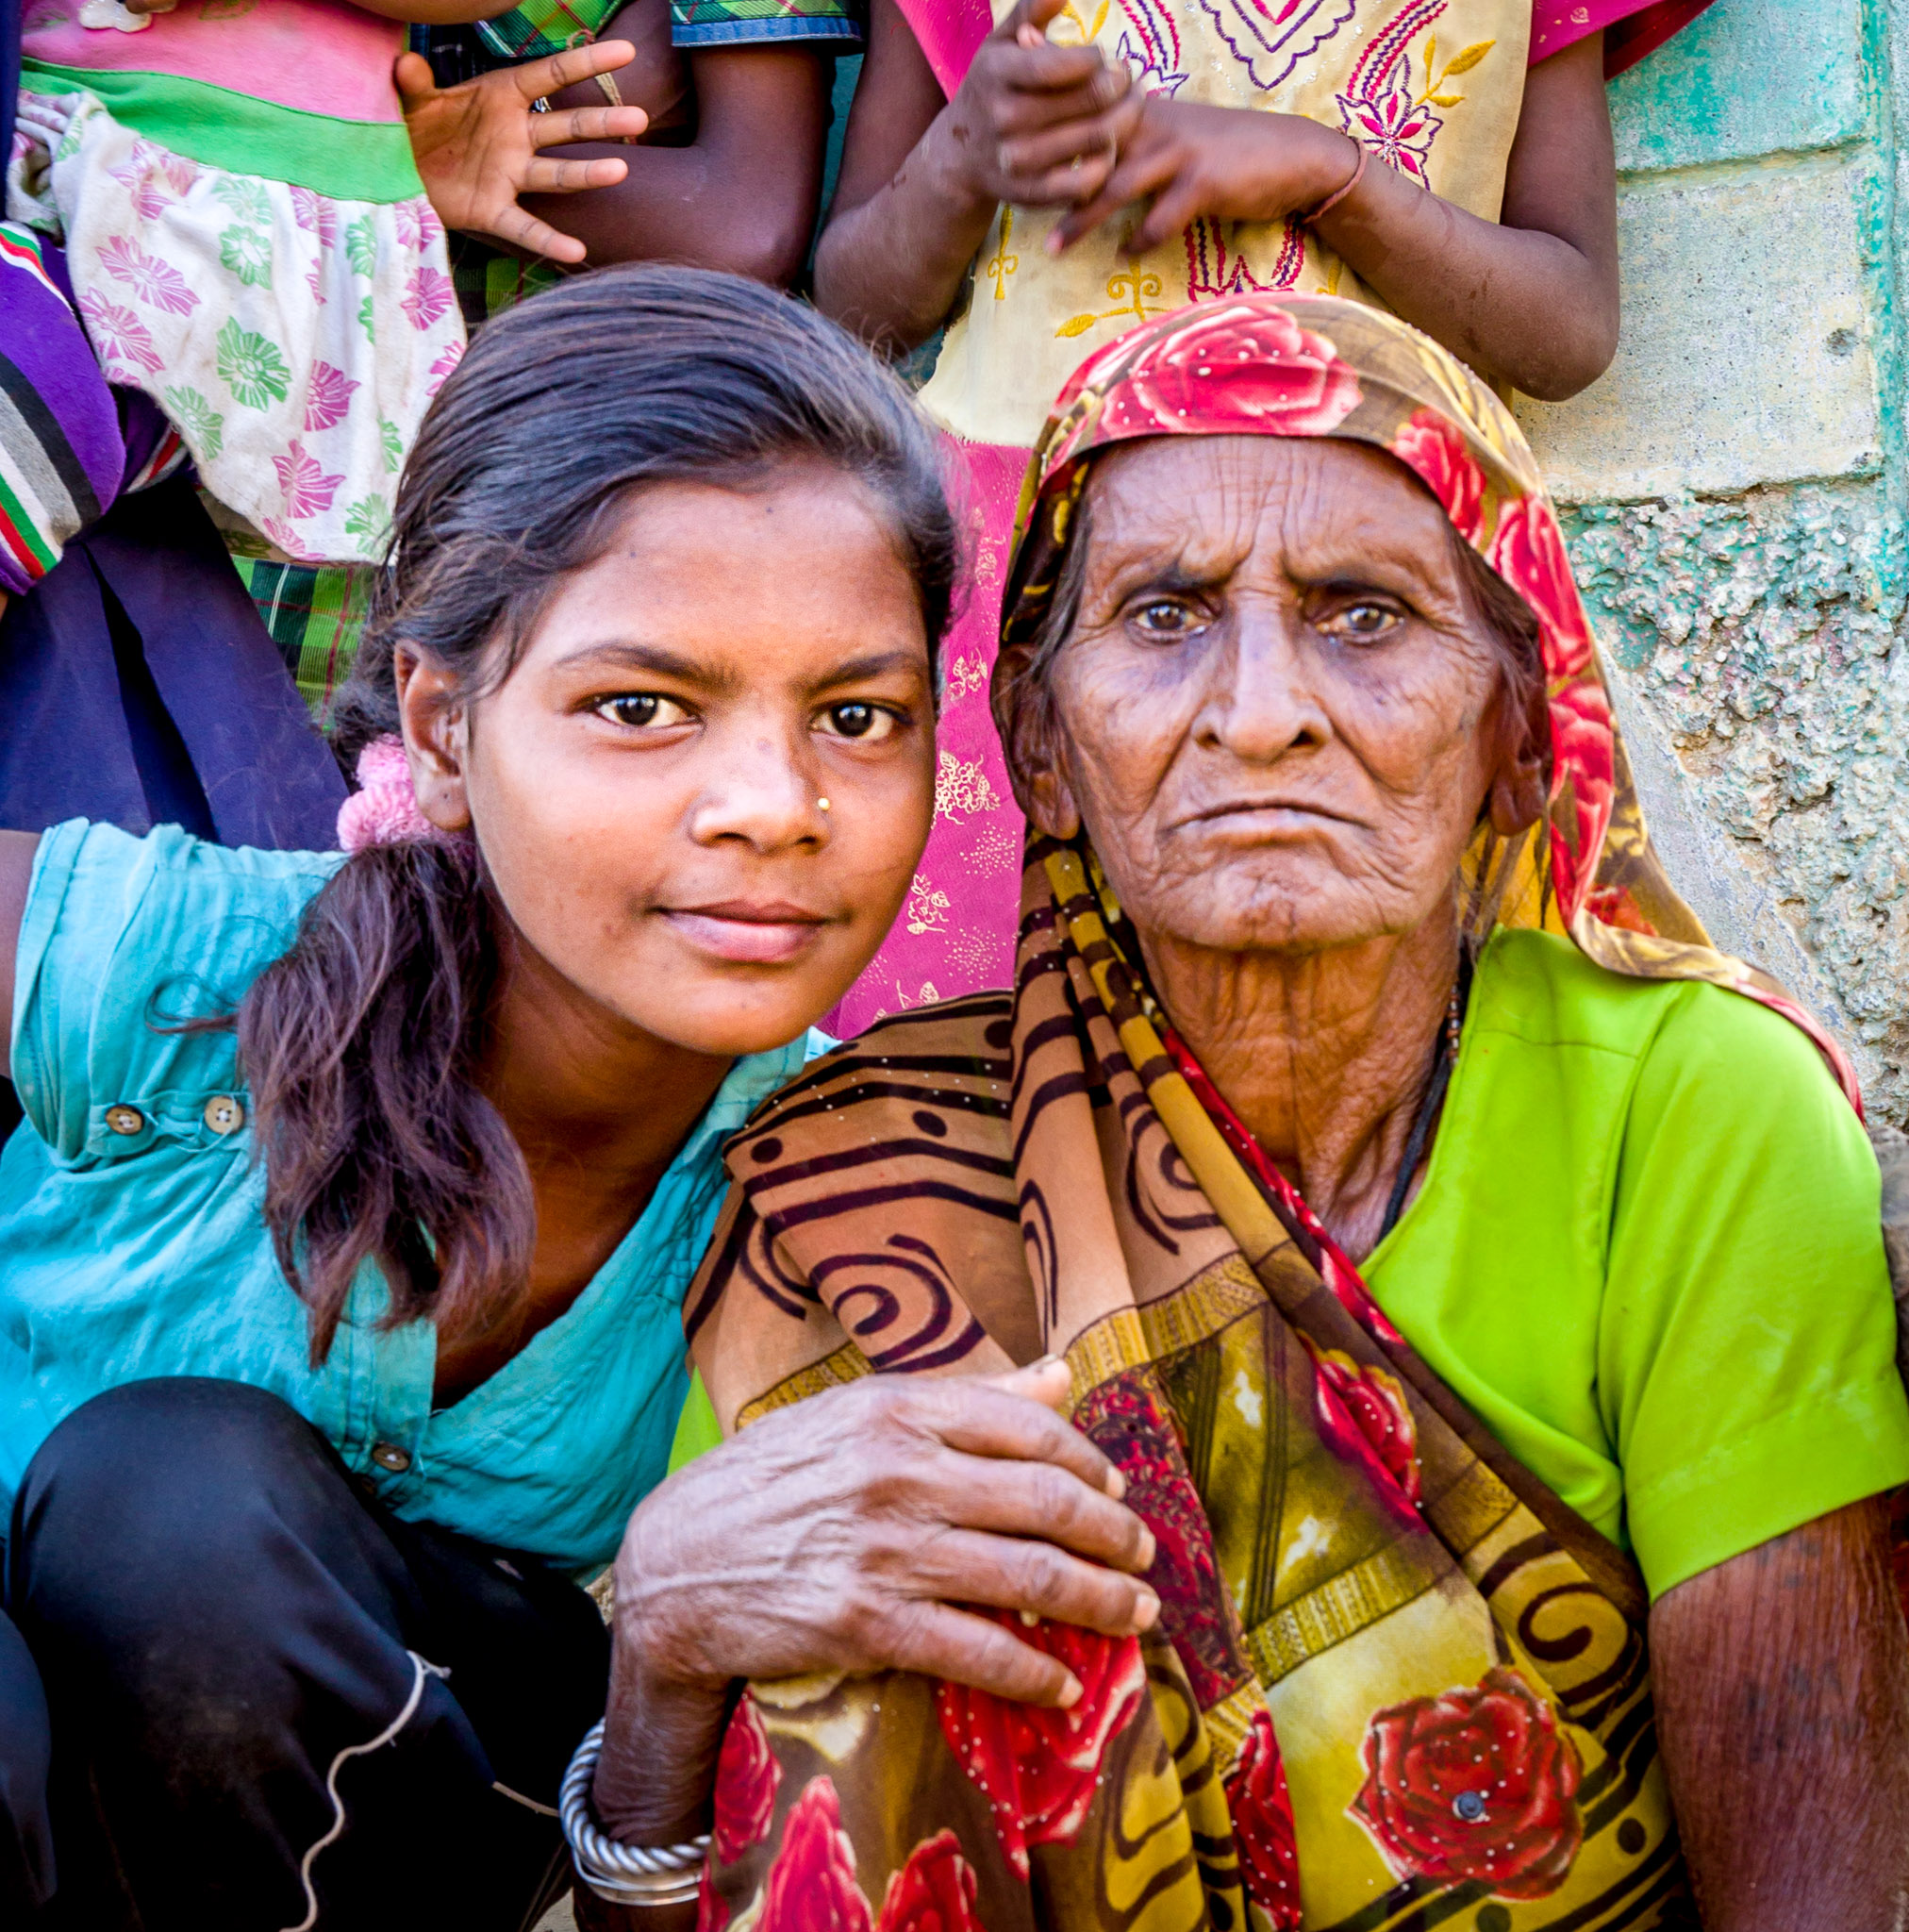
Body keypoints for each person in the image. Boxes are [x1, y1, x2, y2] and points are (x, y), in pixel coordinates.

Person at [573, 297, 1909, 1931]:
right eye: (1162, 613)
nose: (1260, 705)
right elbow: (721, 1845)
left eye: (1360, 612)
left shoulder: (1690, 1105)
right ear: (1047, 751)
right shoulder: (857, 1186)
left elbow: (1816, 1885)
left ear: (1514, 731)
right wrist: (656, 1653)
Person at [0, 263, 1095, 1929]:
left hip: (421, 1827)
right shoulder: (176, 970)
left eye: (852, 714)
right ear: (444, 731)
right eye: (641, 706)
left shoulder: (845, 1213)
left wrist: (662, 1683)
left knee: (187, 1514)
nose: (773, 805)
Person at [809, 0, 1716, 1029]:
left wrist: (1329, 178)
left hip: (1368, 576)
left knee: (1342, 1035)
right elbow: (856, 308)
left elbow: (1563, 332)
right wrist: (964, 152)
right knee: (989, 1049)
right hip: (1036, 573)